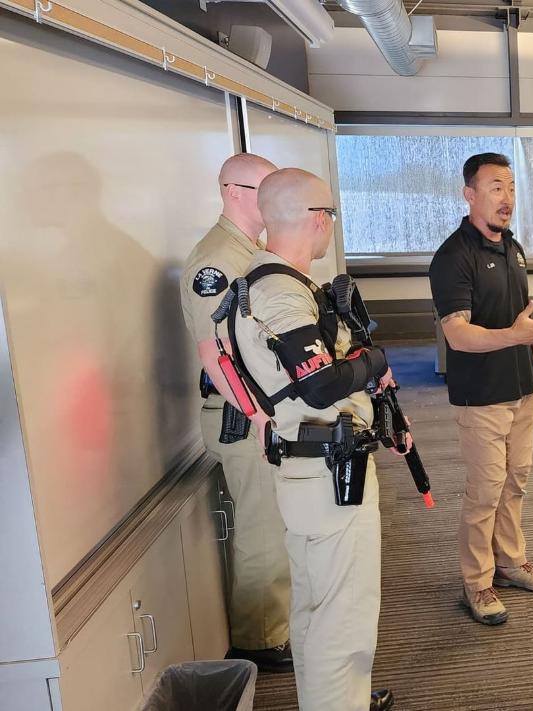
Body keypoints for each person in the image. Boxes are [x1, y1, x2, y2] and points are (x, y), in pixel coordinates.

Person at [231, 168, 397, 711]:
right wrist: (374, 361)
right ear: (316, 219)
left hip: (313, 467)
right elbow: (320, 384)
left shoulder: (271, 283)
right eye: (331, 214)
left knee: (316, 609)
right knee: (341, 617)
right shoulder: (280, 291)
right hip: (327, 472)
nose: (331, 224)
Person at [431, 152, 533, 625]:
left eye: (511, 188)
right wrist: (516, 336)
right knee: (485, 491)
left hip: (522, 388)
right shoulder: (453, 257)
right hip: (482, 396)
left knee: (515, 483)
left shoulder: (513, 247)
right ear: (469, 194)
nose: (507, 198)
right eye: (495, 188)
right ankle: (477, 582)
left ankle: (510, 562)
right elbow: (458, 334)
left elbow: (521, 320)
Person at [179, 153, 292, 671]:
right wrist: (260, 415)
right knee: (262, 526)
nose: (273, 200)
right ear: (232, 191)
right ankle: (260, 639)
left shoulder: (251, 252)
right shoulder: (217, 262)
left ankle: (273, 625)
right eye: (264, 189)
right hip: (242, 416)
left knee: (275, 521)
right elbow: (216, 357)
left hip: (258, 409)